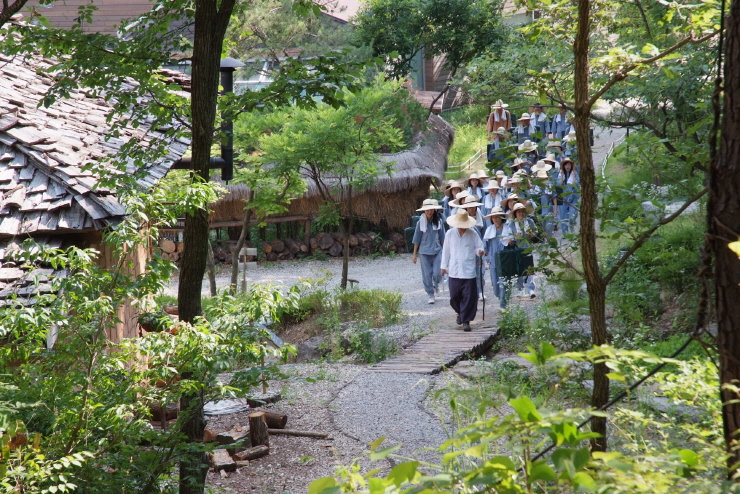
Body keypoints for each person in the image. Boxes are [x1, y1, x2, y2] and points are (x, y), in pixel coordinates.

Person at [441, 209, 485, 331]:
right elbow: (446, 251)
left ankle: (466, 321)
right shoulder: (449, 234)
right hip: (454, 271)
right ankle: (460, 312)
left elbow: (479, 247)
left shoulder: (473, 233)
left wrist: (480, 252)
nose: (461, 227)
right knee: (454, 296)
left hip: (468, 271)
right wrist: (443, 267)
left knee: (469, 297)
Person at [412, 199, 446, 304]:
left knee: (437, 272)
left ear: (434, 210)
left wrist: (446, 254)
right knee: (426, 274)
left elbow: (442, 238)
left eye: (431, 210)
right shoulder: (420, 223)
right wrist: (414, 254)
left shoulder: (439, 221)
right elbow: (416, 239)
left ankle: (436, 285)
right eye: (427, 210)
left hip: (437, 250)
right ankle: (430, 294)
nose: (429, 212)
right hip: (424, 252)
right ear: (424, 211)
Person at [502, 202, 538, 300]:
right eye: (518, 212)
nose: (521, 214)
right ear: (515, 214)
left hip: (528, 248)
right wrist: (512, 239)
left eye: (522, 211)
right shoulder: (511, 225)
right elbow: (510, 243)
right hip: (517, 250)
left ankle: (531, 290)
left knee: (529, 269)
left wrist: (532, 235)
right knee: (518, 270)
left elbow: (536, 236)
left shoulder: (530, 222)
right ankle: (520, 289)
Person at [483, 207, 508, 309]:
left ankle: (503, 305)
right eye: (493, 217)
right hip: (493, 261)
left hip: (505, 260)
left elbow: (512, 245)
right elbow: (486, 246)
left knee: (503, 283)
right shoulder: (489, 230)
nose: (495, 219)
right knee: (495, 287)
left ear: (502, 217)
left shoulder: (508, 228)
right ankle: (502, 298)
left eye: (497, 217)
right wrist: (485, 258)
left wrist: (510, 242)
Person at [555, 158, 580, 234]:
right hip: (563, 199)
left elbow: (577, 185)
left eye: (569, 164)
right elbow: (558, 185)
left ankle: (572, 227)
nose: (567, 166)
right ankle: (565, 233)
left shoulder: (574, 173)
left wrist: (573, 176)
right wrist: (562, 176)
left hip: (573, 198)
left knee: (573, 215)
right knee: (563, 217)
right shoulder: (560, 174)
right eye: (566, 164)